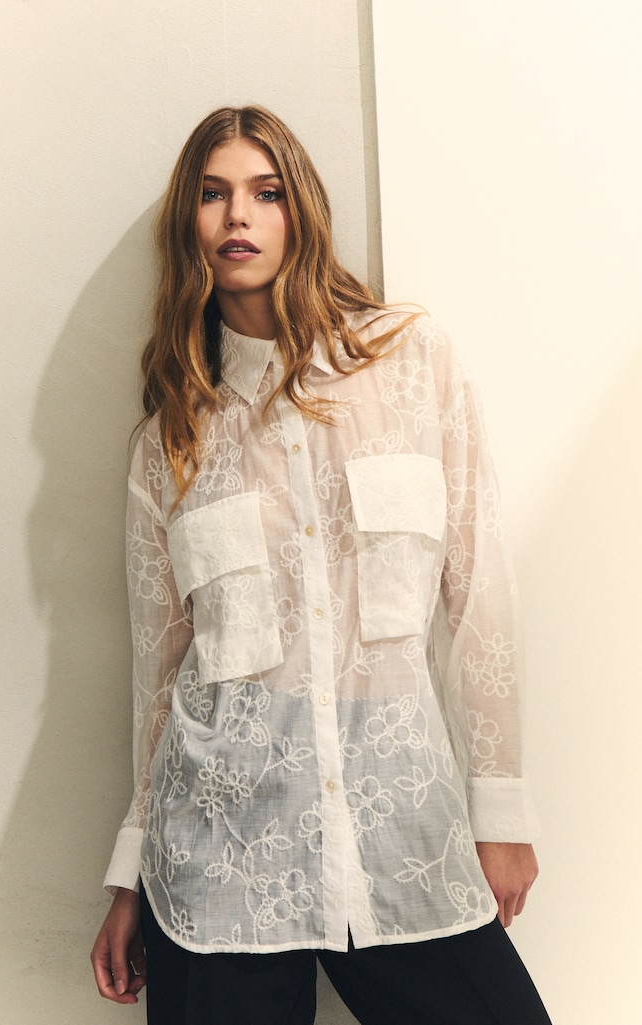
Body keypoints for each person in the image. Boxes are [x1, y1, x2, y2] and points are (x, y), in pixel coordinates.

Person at [91, 105, 552, 1025]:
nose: (237, 215)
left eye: (264, 192)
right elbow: (160, 675)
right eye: (213, 195)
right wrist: (130, 873)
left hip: (403, 835)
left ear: (300, 208)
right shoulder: (170, 441)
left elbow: (481, 593)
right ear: (188, 226)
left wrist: (500, 808)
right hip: (218, 861)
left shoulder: (412, 362)